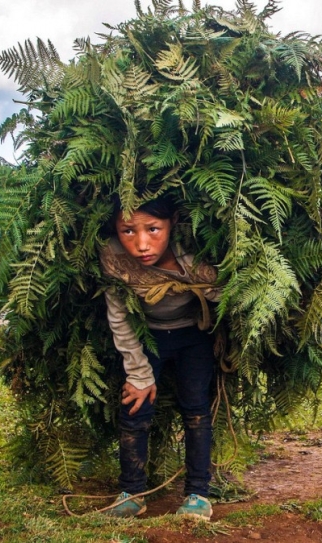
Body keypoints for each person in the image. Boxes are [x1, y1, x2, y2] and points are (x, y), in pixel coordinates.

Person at [99, 195, 222, 518]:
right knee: (135, 406)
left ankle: (198, 494)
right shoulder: (113, 257)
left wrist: (206, 283)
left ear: (173, 222)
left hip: (193, 336)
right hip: (146, 336)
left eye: (153, 229)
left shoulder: (196, 253)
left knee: (196, 408)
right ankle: (132, 493)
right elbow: (119, 317)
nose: (141, 244)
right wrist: (138, 373)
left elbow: (227, 292)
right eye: (128, 231)